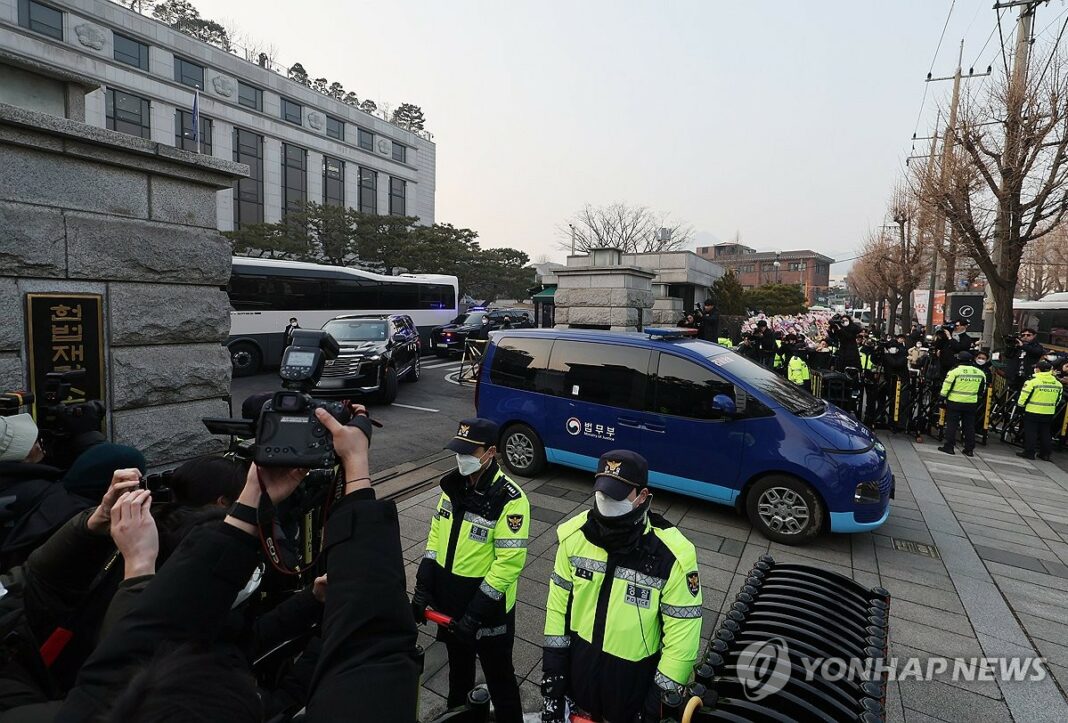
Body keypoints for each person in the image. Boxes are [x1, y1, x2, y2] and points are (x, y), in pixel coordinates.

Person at [57, 403, 422, 722]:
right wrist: (356, 468)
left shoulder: (103, 705)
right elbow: (373, 649)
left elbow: (134, 652)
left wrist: (251, 504)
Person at [542, 451, 702, 723]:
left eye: (618, 495)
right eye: (602, 493)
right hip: (581, 676)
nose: (606, 501)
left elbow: (682, 643)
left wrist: (657, 707)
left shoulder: (673, 555)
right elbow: (558, 612)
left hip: (634, 689)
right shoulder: (573, 535)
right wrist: (553, 680)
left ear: (642, 496)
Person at [412, 419, 528, 723]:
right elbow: (436, 537)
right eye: (458, 450)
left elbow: (508, 564)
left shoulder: (510, 499)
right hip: (451, 605)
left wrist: (475, 614)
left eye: (468, 451)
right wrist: (424, 583)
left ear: (490, 452)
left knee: (499, 676)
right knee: (458, 674)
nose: (461, 457)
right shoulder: (452, 487)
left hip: (489, 611)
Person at [938, 351, 987, 457]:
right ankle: (969, 449)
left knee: (952, 425)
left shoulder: (954, 371)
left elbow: (946, 386)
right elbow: (982, 390)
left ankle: (949, 447)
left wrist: (942, 397)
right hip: (971, 403)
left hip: (955, 402)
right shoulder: (980, 372)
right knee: (969, 426)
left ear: (959, 360)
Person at [1016, 359, 1063, 461]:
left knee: (1031, 432)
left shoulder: (1032, 382)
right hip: (1048, 412)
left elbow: (1024, 396)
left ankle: (1029, 453)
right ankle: (1045, 454)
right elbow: (1058, 400)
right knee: (1045, 433)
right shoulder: (1058, 384)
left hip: (1032, 411)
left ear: (1038, 369)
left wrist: (1020, 407)